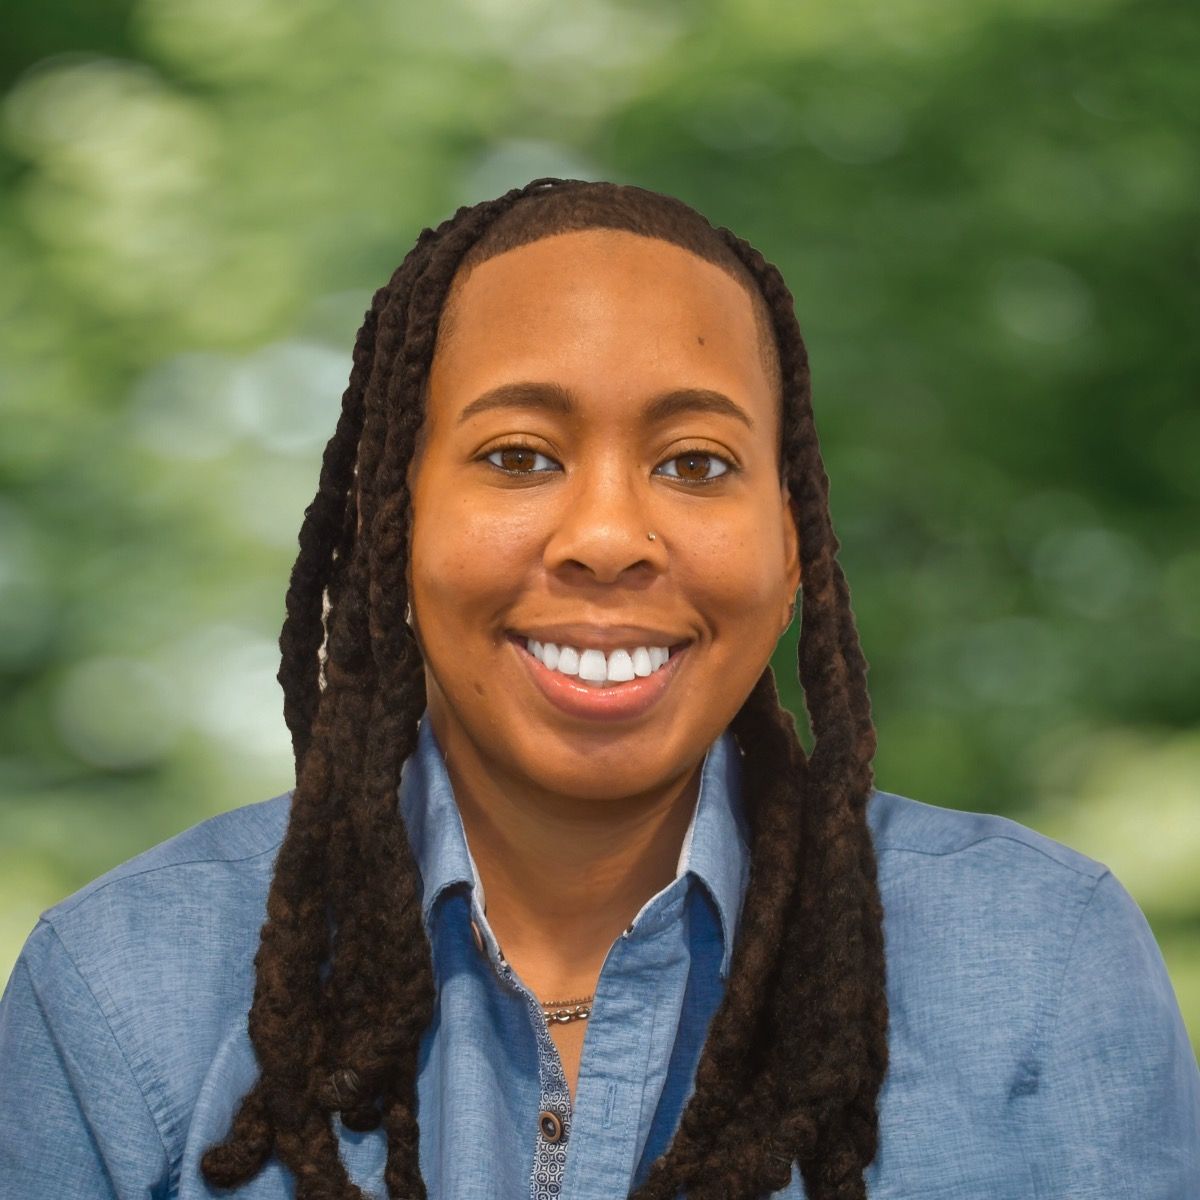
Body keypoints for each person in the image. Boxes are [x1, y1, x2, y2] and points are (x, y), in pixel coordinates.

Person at [0, 178, 1196, 1200]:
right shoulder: (113, 992)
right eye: (519, 456)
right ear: (389, 529)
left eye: (695, 462)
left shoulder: (1043, 961)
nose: (609, 534)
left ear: (793, 550)